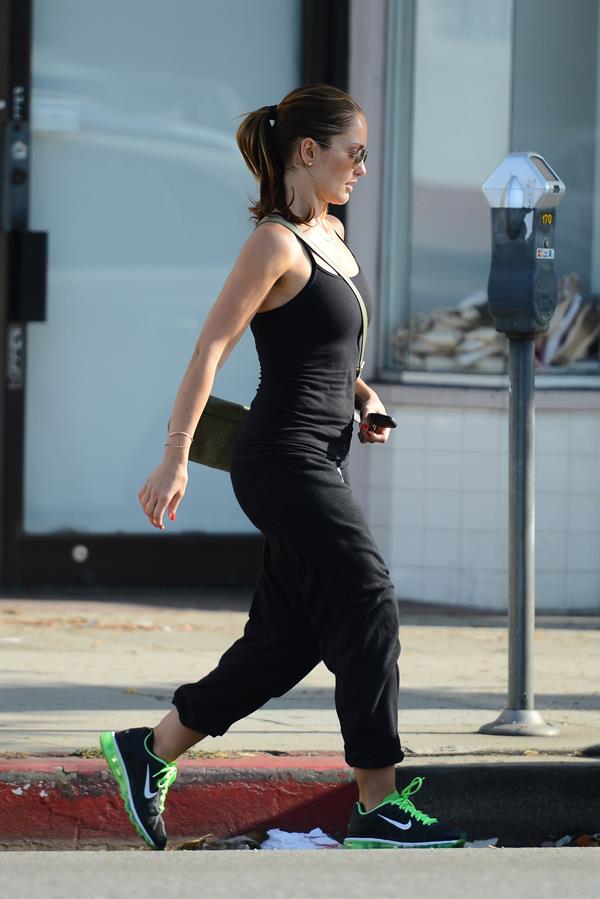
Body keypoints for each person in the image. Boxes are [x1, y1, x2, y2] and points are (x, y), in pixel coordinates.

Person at [99, 83, 467, 851]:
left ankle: (151, 749)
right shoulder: (273, 242)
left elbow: (329, 354)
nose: (363, 167)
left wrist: (363, 397)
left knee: (285, 641)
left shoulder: (330, 234)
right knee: (367, 593)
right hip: (280, 458)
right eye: (354, 152)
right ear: (310, 151)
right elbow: (211, 348)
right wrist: (176, 456)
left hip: (321, 455)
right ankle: (376, 798)